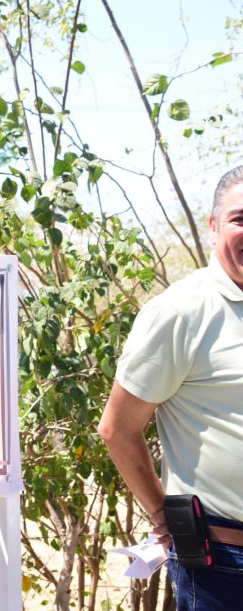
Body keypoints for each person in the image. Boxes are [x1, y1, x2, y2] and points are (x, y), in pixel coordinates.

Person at [99, 164, 243, 609]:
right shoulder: (180, 312)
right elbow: (117, 428)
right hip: (224, 566)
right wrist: (163, 513)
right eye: (240, 219)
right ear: (213, 225)